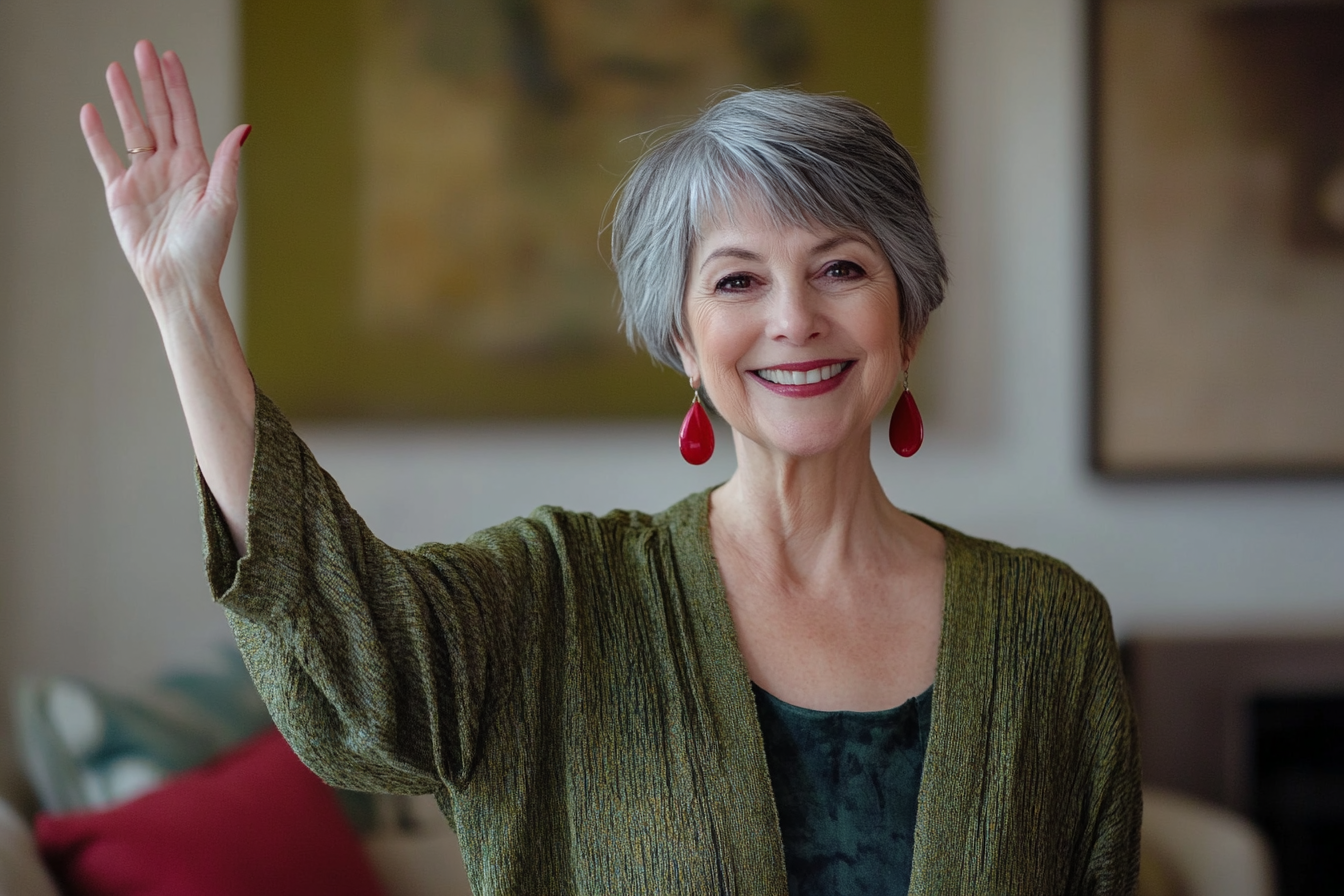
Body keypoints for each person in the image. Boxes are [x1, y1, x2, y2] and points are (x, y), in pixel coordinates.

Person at [82, 40, 1141, 896]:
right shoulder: (557, 597)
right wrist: (186, 300)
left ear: (905, 317)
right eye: (736, 280)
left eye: (841, 267)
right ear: (682, 340)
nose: (794, 318)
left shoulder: (1052, 630)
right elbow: (349, 650)